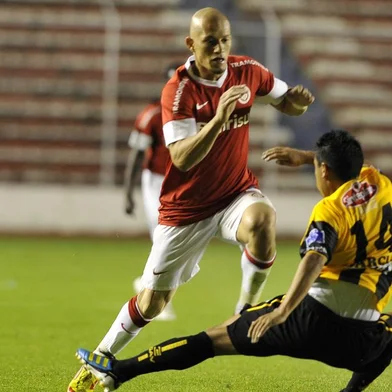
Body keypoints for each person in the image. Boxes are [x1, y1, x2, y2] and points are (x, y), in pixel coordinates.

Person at [67, 7, 314, 392]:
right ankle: (100, 357)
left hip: (234, 194)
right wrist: (217, 120)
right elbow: (181, 157)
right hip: (185, 210)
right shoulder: (178, 91)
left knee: (264, 219)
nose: (220, 49)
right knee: (152, 303)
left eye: (225, 40)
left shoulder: (247, 70)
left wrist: (298, 102)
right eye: (210, 42)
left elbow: (286, 102)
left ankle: (244, 310)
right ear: (191, 44)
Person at [77, 130, 392, 392]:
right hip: (362, 339)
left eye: (316, 168)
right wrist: (307, 157)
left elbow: (314, 257)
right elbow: (353, 165)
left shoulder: (330, 211)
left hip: (308, 321)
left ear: (324, 170)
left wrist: (283, 312)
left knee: (212, 339)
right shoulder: (381, 184)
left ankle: (120, 371)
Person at [124, 64, 182, 322]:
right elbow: (136, 155)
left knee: (176, 242)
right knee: (163, 237)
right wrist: (128, 192)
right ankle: (155, 298)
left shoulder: (196, 113)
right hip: (156, 182)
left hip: (183, 182)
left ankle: (148, 287)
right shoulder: (152, 115)